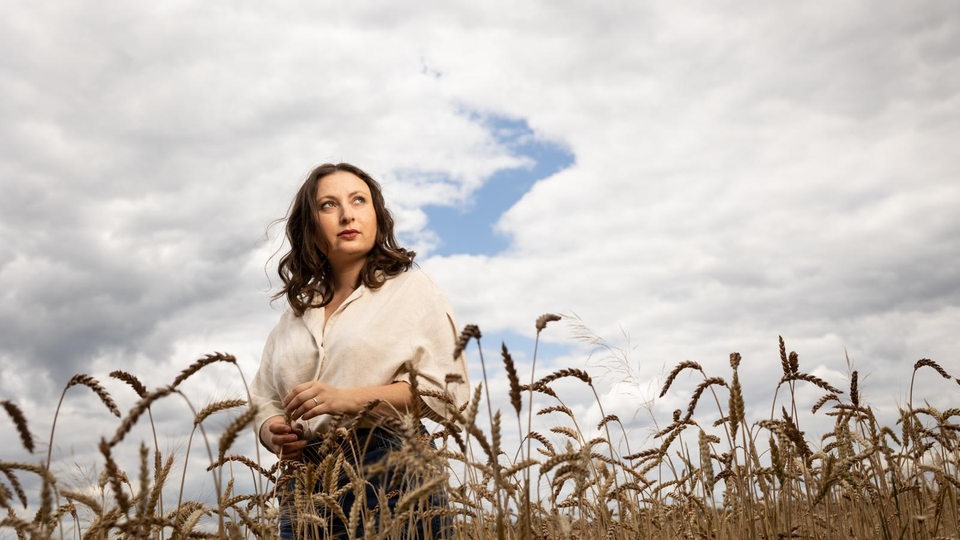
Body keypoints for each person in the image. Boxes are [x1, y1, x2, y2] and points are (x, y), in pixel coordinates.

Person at [250, 162, 470, 539]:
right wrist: (273, 432)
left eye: (359, 200)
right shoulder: (294, 317)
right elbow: (263, 399)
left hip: (391, 467)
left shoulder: (413, 290)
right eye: (328, 205)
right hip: (304, 478)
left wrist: (346, 399)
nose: (347, 214)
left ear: (377, 217)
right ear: (311, 226)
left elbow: (447, 392)